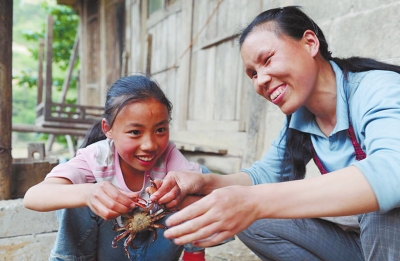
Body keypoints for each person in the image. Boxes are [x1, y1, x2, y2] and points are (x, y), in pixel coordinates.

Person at [149, 6, 400, 261]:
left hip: (389, 235)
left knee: (384, 208)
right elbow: (264, 177)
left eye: (267, 60)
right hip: (364, 246)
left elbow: (391, 172)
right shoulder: (300, 118)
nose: (260, 81)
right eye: (253, 74)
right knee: (252, 221)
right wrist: (205, 183)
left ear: (310, 43)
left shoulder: (378, 88)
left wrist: (253, 201)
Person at [23, 74, 208, 261]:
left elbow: (205, 195)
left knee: (199, 179)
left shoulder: (168, 154)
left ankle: (195, 254)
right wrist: (88, 193)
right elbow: (32, 197)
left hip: (157, 249)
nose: (150, 145)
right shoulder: (97, 157)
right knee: (78, 191)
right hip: (111, 251)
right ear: (108, 129)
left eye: (160, 130)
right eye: (135, 132)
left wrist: (175, 196)